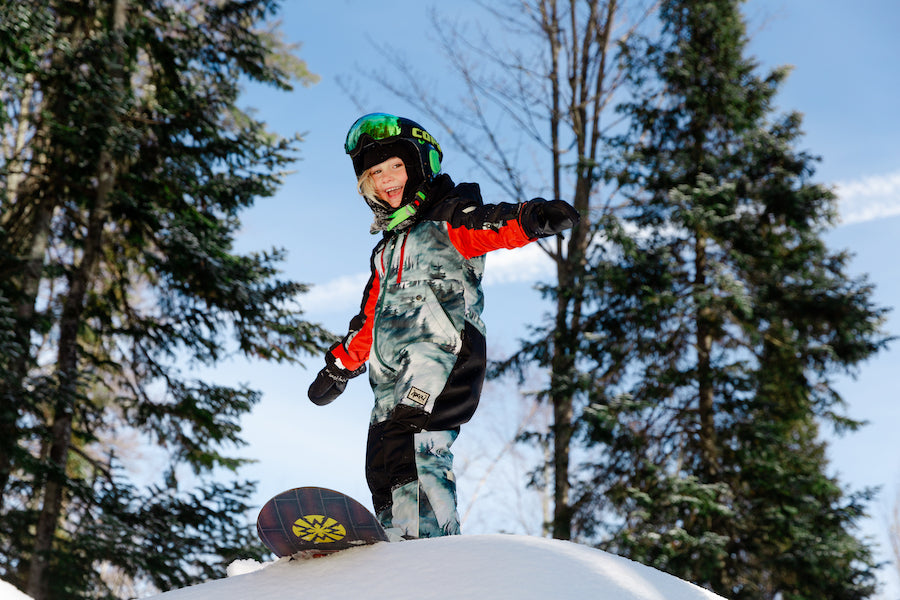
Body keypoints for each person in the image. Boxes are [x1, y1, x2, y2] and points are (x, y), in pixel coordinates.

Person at [307, 112, 578, 540]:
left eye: (396, 166)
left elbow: (492, 224)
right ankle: (396, 532)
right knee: (382, 453)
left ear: (419, 166)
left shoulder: (450, 219)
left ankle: (429, 545)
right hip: (392, 373)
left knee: (417, 445)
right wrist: (340, 367)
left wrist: (533, 217)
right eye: (375, 173)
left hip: (444, 352)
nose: (387, 178)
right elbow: (369, 320)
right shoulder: (385, 253)